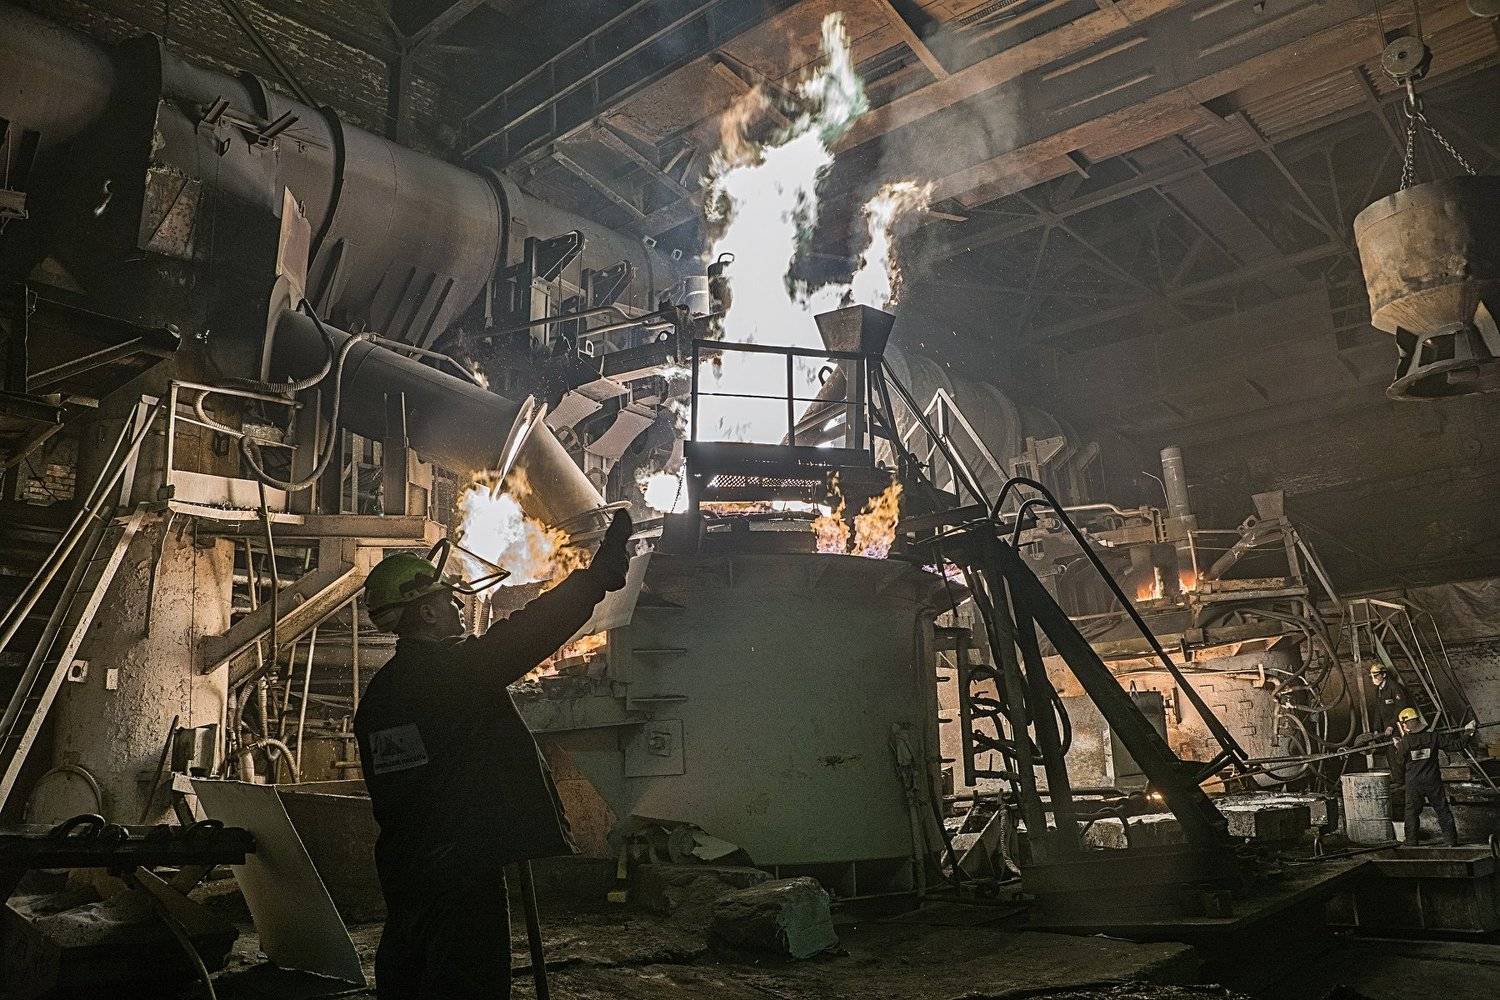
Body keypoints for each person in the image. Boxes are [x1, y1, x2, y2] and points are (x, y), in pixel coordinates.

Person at [354, 510, 633, 999]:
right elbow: (523, 635)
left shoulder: (384, 691)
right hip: (460, 864)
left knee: (410, 972)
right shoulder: (444, 675)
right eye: (449, 599)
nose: (460, 607)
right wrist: (593, 581)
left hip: (409, 861)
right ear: (427, 613)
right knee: (469, 979)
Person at [1390, 706, 1477, 848]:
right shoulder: (1433, 736)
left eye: (1403, 724)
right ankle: (1450, 841)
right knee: (1442, 809)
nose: (1403, 726)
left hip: (1414, 783)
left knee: (1411, 813)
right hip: (1432, 781)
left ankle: (1411, 842)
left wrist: (1398, 747)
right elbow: (1457, 745)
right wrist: (1469, 732)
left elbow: (1399, 763)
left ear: (1407, 724)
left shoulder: (1405, 742)